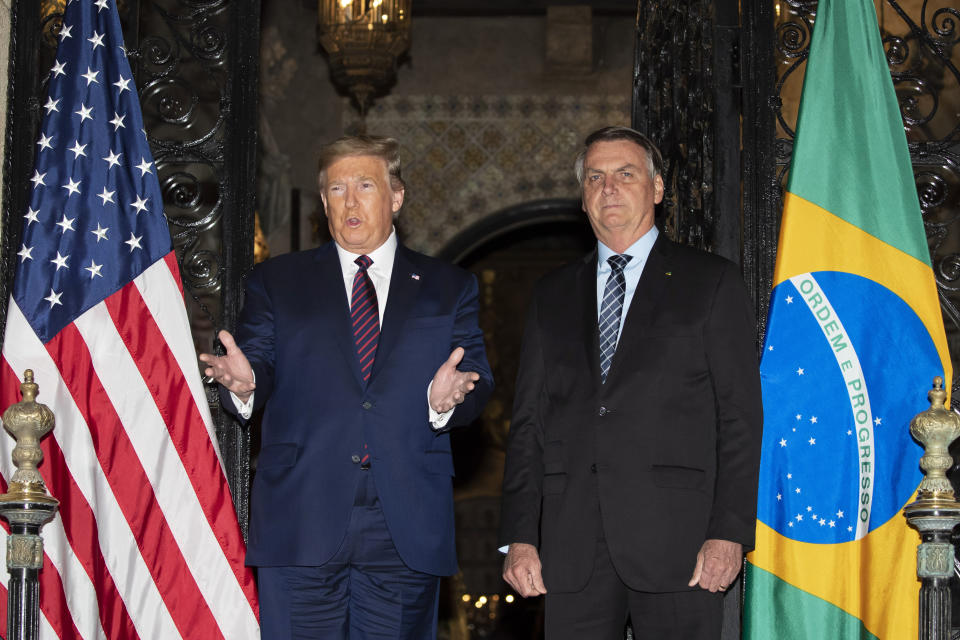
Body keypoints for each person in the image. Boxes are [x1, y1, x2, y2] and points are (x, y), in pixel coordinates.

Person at [199, 134, 493, 639]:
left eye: (365, 185)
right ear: (323, 201)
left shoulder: (449, 286)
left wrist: (445, 402)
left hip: (405, 524)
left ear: (396, 196)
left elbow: (478, 379)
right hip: (301, 516)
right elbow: (257, 366)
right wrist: (245, 386)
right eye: (337, 189)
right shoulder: (276, 281)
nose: (351, 201)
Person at [498, 126, 762, 639]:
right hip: (571, 546)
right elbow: (528, 422)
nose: (608, 188)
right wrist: (519, 536)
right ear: (583, 196)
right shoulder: (551, 294)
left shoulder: (710, 281)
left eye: (624, 174)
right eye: (594, 178)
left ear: (658, 188)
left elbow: (740, 417)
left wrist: (729, 532)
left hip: (680, 543)